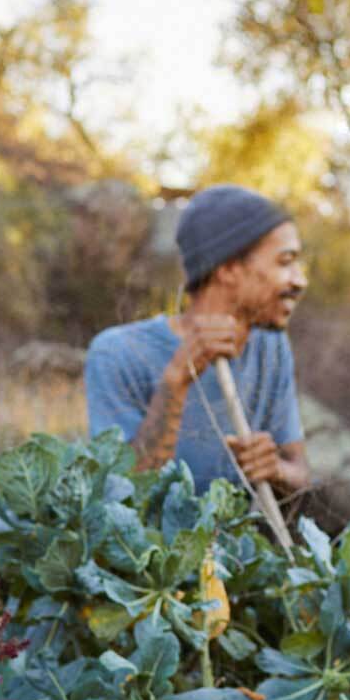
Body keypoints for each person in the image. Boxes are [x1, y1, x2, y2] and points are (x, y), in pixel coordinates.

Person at [86, 184, 309, 497]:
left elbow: (300, 473)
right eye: (285, 262)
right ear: (229, 269)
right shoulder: (117, 353)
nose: (300, 280)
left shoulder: (270, 345)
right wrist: (175, 382)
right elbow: (121, 496)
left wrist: (275, 469)